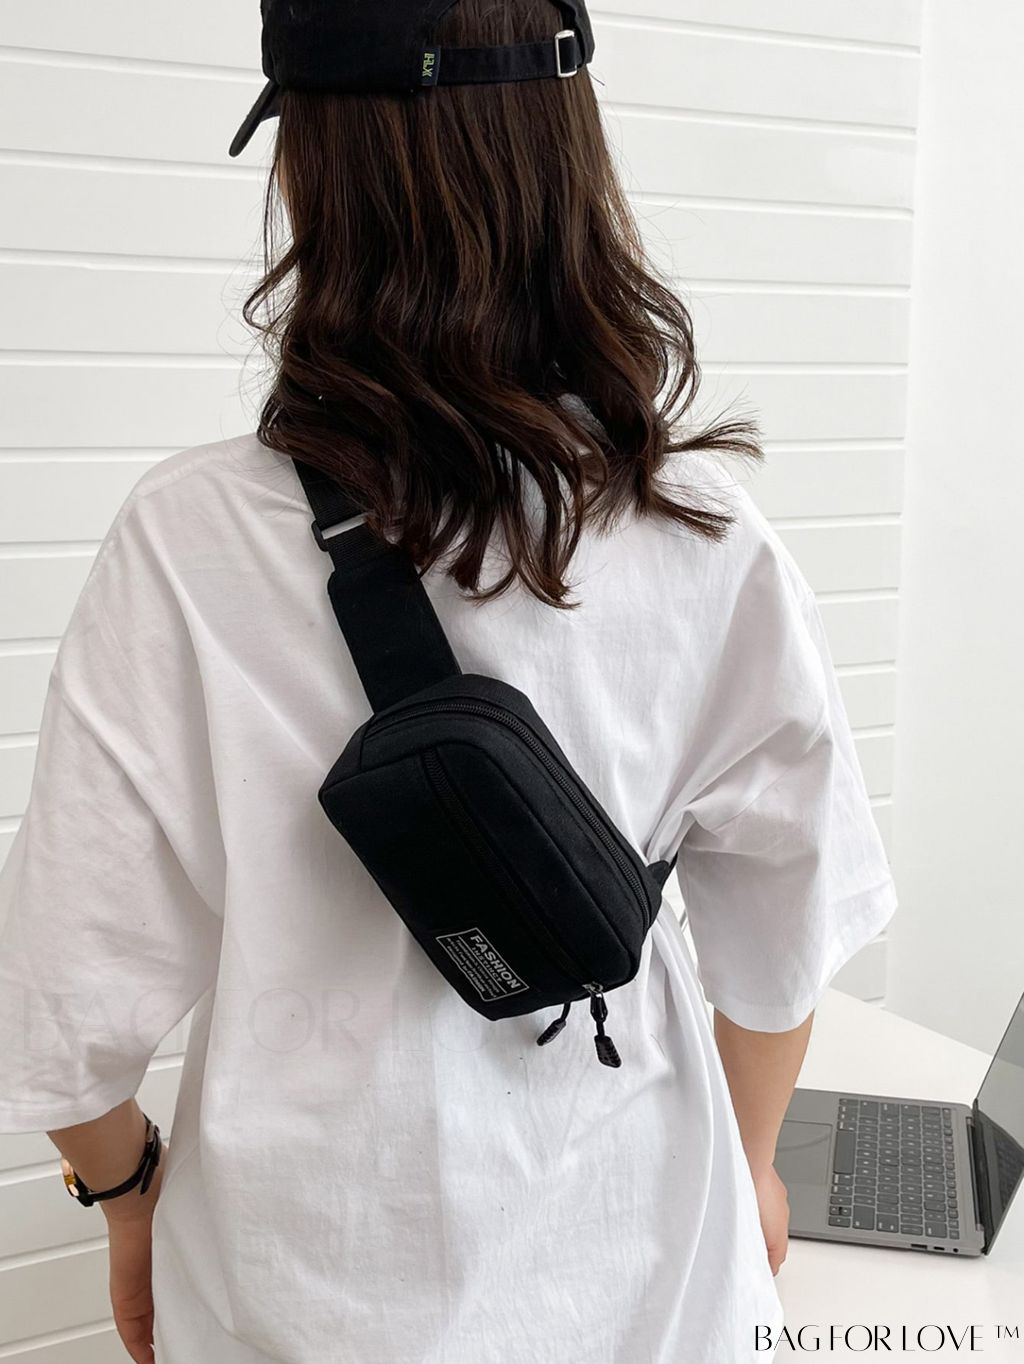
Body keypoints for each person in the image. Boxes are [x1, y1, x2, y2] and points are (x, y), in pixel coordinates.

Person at [0, 2, 898, 1361]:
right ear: (568, 154)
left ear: (310, 169)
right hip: (645, 1288)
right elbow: (785, 943)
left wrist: (128, 1199)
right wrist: (755, 1164)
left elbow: (64, 1017)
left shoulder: (183, 545)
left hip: (294, 1300)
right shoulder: (708, 539)